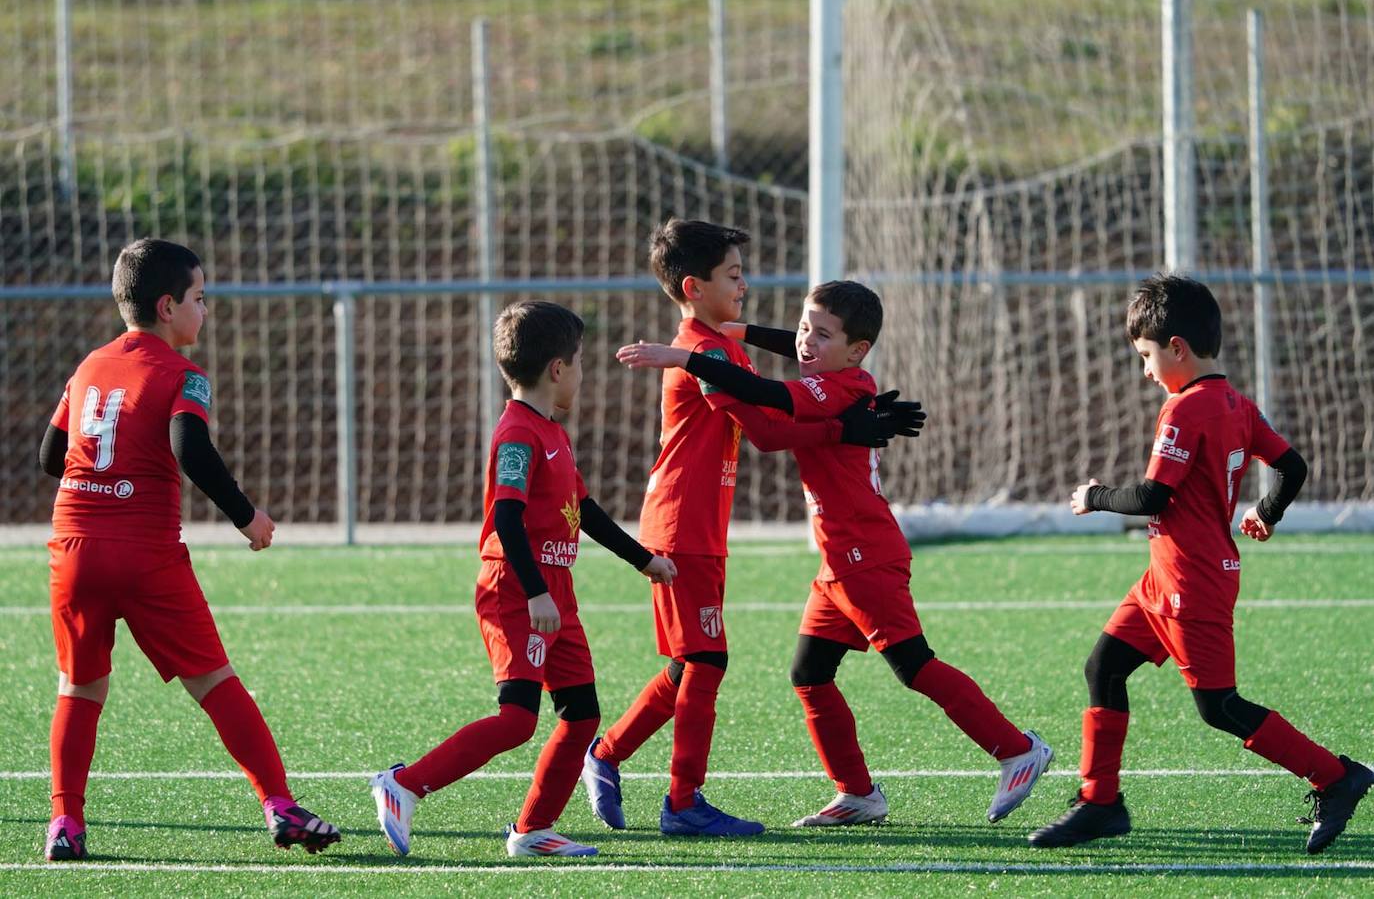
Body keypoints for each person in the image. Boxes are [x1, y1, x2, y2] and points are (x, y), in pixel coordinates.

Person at [616, 279, 1051, 829]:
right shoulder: (832, 373)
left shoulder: (835, 387)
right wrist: (742, 331)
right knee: (811, 672)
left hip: (866, 553)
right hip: (838, 562)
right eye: (804, 328)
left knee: (914, 665)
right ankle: (858, 793)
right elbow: (800, 348)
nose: (806, 343)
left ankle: (1016, 750)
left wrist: (683, 357)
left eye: (822, 335)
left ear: (857, 351)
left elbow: (768, 397)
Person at [581, 220, 922, 837]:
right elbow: (766, 431)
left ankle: (606, 757)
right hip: (682, 523)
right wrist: (848, 427)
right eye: (733, 275)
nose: (745, 284)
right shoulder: (706, 352)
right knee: (706, 660)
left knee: (692, 664)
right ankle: (682, 803)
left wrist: (855, 407)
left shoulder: (721, 344)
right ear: (695, 286)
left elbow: (801, 354)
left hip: (701, 524)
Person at [1027, 273, 1371, 853]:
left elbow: (1152, 496)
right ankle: (1099, 802)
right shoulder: (1237, 403)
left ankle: (1336, 777)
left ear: (1177, 348)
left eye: (1146, 356)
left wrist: (1094, 496)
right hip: (1164, 578)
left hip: (1193, 581)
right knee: (1103, 668)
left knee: (1219, 706)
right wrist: (1267, 510)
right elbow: (1295, 466)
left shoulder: (1184, 410)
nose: (1145, 371)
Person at [39, 238, 340, 861]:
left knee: (79, 688)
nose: (207, 310)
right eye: (201, 299)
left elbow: (50, 457)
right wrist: (246, 516)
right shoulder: (183, 374)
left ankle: (65, 825)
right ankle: (280, 806)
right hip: (145, 552)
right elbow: (191, 450)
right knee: (216, 682)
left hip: (73, 548)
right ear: (168, 305)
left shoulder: (88, 366)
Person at [370, 300, 677, 858]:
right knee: (516, 718)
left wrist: (643, 559)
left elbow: (585, 511)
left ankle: (533, 829)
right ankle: (403, 785)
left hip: (555, 593)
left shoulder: (551, 431)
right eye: (579, 362)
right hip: (517, 590)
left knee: (582, 714)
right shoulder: (518, 434)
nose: (582, 373)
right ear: (557, 369)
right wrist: (536, 592)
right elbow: (506, 519)